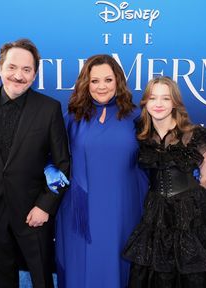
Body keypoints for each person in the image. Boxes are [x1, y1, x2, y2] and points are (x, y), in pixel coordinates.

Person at [0, 38, 70, 288]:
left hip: (33, 212)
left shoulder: (49, 108)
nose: (18, 75)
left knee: (42, 277)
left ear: (34, 75)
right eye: (12, 67)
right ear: (0, 68)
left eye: (26, 70)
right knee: (0, 278)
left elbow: (63, 162)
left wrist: (45, 205)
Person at [122, 76, 206, 287]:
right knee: (157, 269)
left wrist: (190, 204)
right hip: (156, 210)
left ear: (175, 102)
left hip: (190, 212)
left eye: (165, 98)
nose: (158, 104)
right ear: (145, 102)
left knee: (193, 270)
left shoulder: (192, 134)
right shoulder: (142, 135)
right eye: (153, 98)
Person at [54, 54, 148, 288]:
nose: (101, 86)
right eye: (94, 81)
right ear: (85, 84)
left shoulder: (137, 117)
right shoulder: (72, 118)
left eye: (108, 79)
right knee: (81, 266)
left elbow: (169, 140)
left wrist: (201, 154)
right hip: (80, 211)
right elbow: (50, 156)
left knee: (118, 263)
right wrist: (49, 171)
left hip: (123, 206)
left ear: (118, 81)